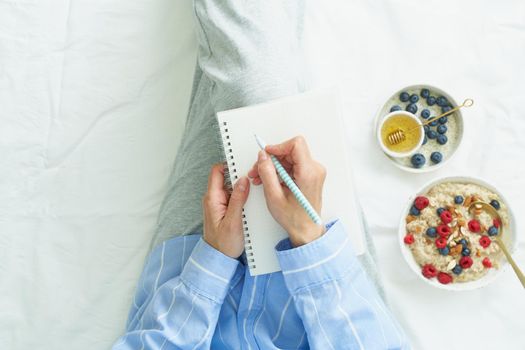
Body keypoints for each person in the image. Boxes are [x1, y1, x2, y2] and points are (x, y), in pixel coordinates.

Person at [113, 1, 409, 349]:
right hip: (325, 292)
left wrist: (215, 255)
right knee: (257, 78)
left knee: (249, 68)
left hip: (188, 286)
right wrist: (307, 234)